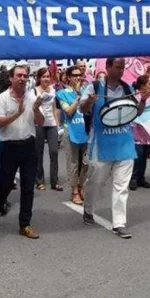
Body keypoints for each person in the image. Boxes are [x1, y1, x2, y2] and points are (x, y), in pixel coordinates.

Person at [81, 58, 149, 239]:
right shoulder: (94, 87)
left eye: (122, 68)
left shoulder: (127, 89)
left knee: (121, 187)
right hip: (101, 144)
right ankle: (88, 209)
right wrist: (89, 101)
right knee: (96, 183)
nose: (120, 71)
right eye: (117, 67)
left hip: (124, 144)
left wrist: (143, 99)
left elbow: (137, 111)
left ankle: (119, 223)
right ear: (108, 67)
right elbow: (83, 109)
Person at [0, 65, 44, 239]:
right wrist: (17, 113)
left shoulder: (32, 96)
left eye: (25, 76)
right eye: (18, 75)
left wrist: (34, 110)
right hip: (9, 147)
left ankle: (25, 224)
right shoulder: (2, 98)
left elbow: (40, 122)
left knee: (28, 187)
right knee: (5, 184)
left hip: (28, 145)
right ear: (10, 78)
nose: (22, 78)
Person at [56, 65, 89, 205]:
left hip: (85, 130)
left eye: (79, 75)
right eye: (74, 75)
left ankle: (81, 186)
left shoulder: (86, 91)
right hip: (71, 131)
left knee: (86, 163)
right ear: (68, 77)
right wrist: (77, 97)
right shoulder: (62, 93)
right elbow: (68, 112)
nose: (78, 77)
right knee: (73, 163)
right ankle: (75, 190)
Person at [33, 67, 62, 191]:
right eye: (43, 76)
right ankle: (39, 180)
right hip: (38, 125)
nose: (46, 78)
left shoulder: (53, 90)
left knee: (54, 152)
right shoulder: (34, 91)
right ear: (39, 78)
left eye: (47, 76)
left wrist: (57, 124)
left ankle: (54, 181)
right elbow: (32, 109)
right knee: (38, 153)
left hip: (51, 124)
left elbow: (54, 108)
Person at [130, 75, 150, 191]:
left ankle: (141, 178)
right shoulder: (135, 96)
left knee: (144, 156)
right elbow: (135, 111)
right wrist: (143, 100)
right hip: (137, 129)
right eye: (149, 84)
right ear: (142, 85)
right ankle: (133, 178)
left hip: (147, 130)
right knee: (138, 156)